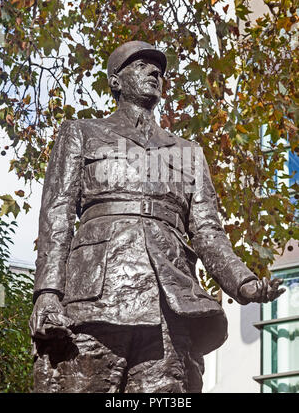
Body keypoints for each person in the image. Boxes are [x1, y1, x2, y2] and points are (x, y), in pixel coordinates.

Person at [30, 40, 284, 393]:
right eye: (141, 65)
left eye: (159, 69)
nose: (155, 72)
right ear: (115, 82)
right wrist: (46, 293)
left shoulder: (188, 152)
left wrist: (242, 282)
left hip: (169, 303)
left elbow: (208, 231)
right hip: (94, 298)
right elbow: (57, 216)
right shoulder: (82, 133)